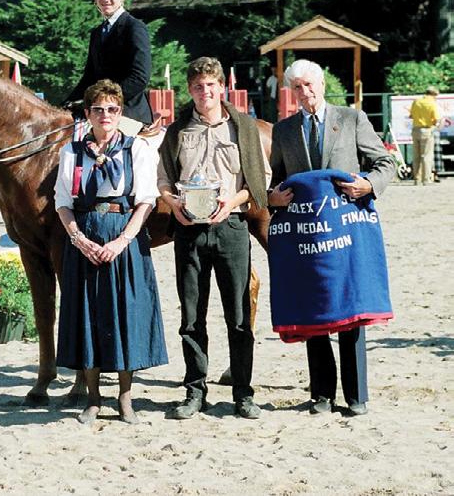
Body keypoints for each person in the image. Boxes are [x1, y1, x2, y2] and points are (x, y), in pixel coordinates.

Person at [268, 59, 395, 416]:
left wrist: (369, 185)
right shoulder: (284, 130)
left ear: (322, 85)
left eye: (309, 84)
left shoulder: (352, 119)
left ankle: (356, 396)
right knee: (314, 310)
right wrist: (271, 198)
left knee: (351, 310)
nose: (304, 92)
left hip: (348, 232)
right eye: (297, 87)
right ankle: (322, 394)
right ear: (291, 92)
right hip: (306, 237)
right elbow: (275, 180)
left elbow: (385, 163)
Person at [157, 57, 269, 420]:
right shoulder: (177, 131)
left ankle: (243, 393)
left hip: (231, 227)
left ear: (222, 87)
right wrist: (172, 203)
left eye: (210, 85)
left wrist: (232, 202)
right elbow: (163, 178)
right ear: (190, 90)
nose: (204, 92)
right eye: (197, 86)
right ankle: (195, 391)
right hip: (189, 230)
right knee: (192, 317)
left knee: (239, 316)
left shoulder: (244, 128)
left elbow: (260, 180)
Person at [54, 79, 168, 425]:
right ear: (88, 114)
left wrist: (121, 242)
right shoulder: (71, 152)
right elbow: (62, 202)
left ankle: (125, 398)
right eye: (98, 109)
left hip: (124, 237)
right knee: (88, 316)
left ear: (120, 114)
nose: (106, 115)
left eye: (112, 109)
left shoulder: (136, 149)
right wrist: (78, 239)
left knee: (125, 315)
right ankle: (93, 399)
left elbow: (146, 201)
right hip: (85, 237)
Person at [63, 0, 153, 135]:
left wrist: (106, 100)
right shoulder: (97, 33)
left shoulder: (134, 28)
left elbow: (140, 77)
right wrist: (66, 103)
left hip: (129, 112)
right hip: (101, 112)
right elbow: (89, 77)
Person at [409, 86, 440, 185]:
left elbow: (411, 115)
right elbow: (436, 119)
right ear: (434, 94)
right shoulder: (432, 103)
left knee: (416, 155)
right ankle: (426, 179)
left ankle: (416, 179)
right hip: (427, 130)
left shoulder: (416, 101)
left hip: (415, 130)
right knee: (426, 156)